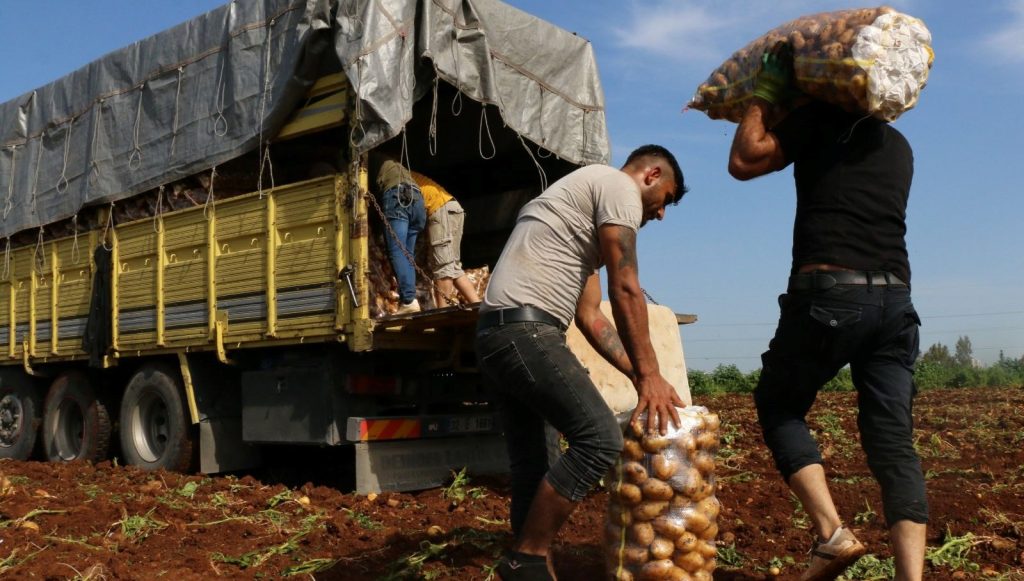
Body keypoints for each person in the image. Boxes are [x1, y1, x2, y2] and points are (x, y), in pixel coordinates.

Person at [728, 43, 927, 581]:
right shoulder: (900, 145)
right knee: (892, 444)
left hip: (831, 295)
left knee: (779, 405)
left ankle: (831, 533)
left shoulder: (820, 121)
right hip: (895, 301)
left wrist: (765, 97)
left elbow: (744, 160)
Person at [475, 145, 689, 580]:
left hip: (496, 335)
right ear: (651, 175)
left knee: (534, 463)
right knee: (599, 439)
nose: (662, 215)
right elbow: (626, 287)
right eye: (666, 200)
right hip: (525, 331)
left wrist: (638, 374)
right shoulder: (618, 188)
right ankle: (528, 557)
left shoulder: (582, 204)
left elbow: (591, 315)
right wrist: (650, 374)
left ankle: (533, 568)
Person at [412, 171, 481, 307]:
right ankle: (479, 306)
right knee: (453, 267)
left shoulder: (396, 176)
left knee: (443, 266)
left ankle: (442, 311)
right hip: (451, 207)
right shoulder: (407, 174)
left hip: (440, 208)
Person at [373, 154, 426, 315]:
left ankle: (409, 300)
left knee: (397, 250)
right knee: (407, 253)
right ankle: (410, 301)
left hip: (397, 195)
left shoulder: (363, 160)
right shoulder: (391, 163)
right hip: (417, 198)